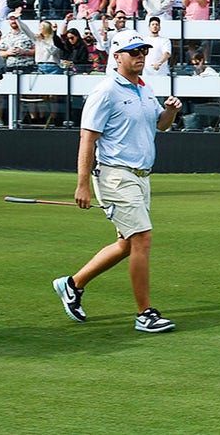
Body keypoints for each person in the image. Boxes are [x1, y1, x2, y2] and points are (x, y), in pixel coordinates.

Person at [53, 29, 181, 334]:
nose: (140, 56)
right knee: (143, 239)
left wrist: (171, 112)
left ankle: (73, 284)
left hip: (141, 176)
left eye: (143, 51)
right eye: (134, 52)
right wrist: (82, 184)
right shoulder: (106, 91)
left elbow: (160, 126)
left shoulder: (144, 88)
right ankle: (145, 314)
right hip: (115, 175)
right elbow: (88, 139)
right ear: (117, 56)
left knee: (127, 243)